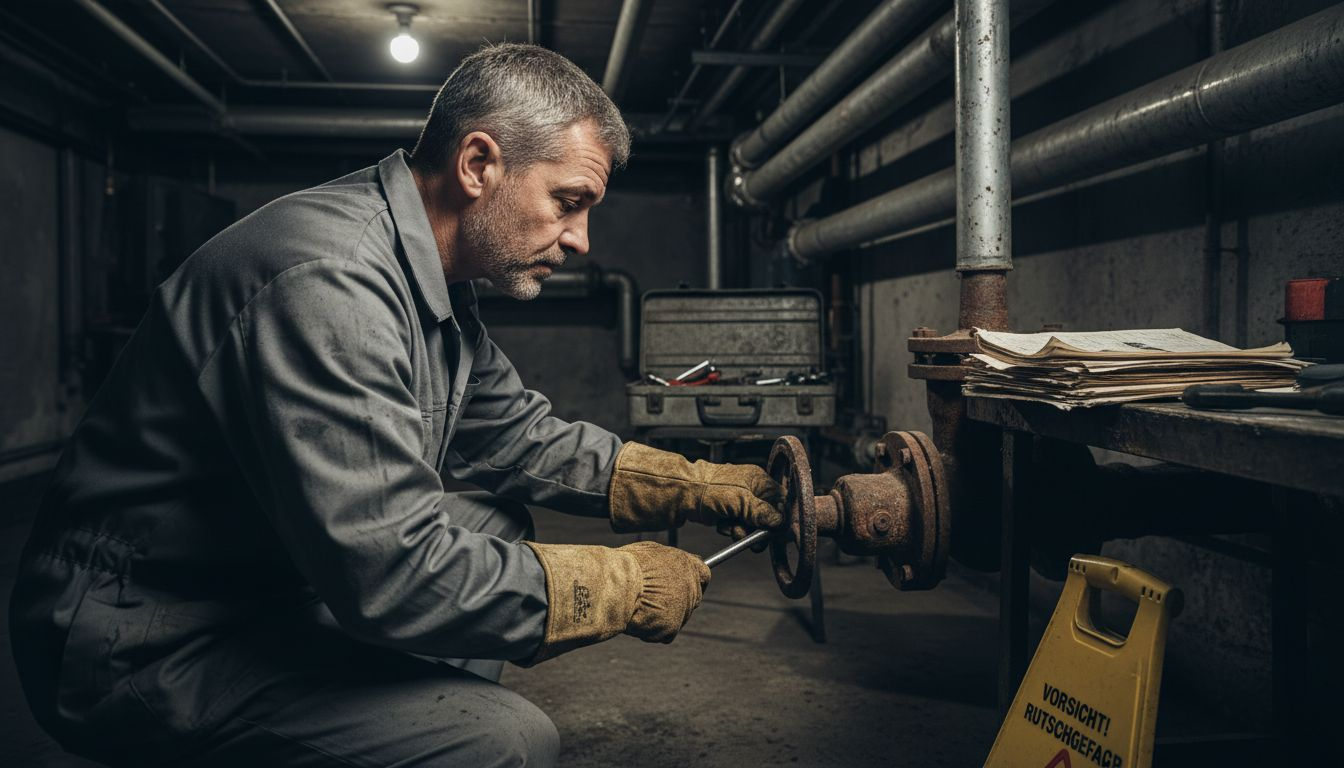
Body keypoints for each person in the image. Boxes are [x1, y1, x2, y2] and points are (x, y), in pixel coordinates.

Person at [10, 43, 781, 767]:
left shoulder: (430, 284)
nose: (580, 239)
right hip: (141, 636)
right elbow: (393, 570)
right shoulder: (330, 283)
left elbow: (521, 437)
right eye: (569, 201)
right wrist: (619, 585)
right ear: (479, 163)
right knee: (505, 743)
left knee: (493, 522)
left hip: (256, 576)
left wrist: (696, 485)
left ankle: (382, 723)